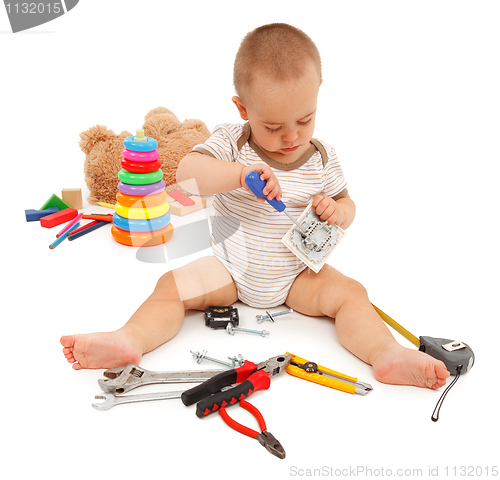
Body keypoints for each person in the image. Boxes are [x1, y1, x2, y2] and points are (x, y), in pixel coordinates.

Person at [61, 23, 450, 390]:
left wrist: (340, 212)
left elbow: (346, 202)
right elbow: (186, 170)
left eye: (305, 119)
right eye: (273, 126)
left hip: (299, 276)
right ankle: (130, 339)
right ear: (243, 109)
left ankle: (385, 354)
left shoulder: (324, 158)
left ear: (318, 93)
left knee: (351, 294)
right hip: (229, 269)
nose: (291, 136)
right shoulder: (232, 142)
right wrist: (240, 174)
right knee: (169, 287)